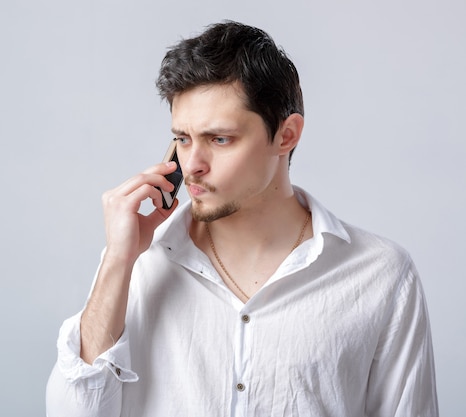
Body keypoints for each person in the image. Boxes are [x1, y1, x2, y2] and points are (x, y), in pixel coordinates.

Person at [46, 21, 438, 416]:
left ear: (286, 135)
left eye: (219, 139)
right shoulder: (137, 262)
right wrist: (118, 259)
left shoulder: (380, 275)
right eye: (182, 138)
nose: (193, 165)